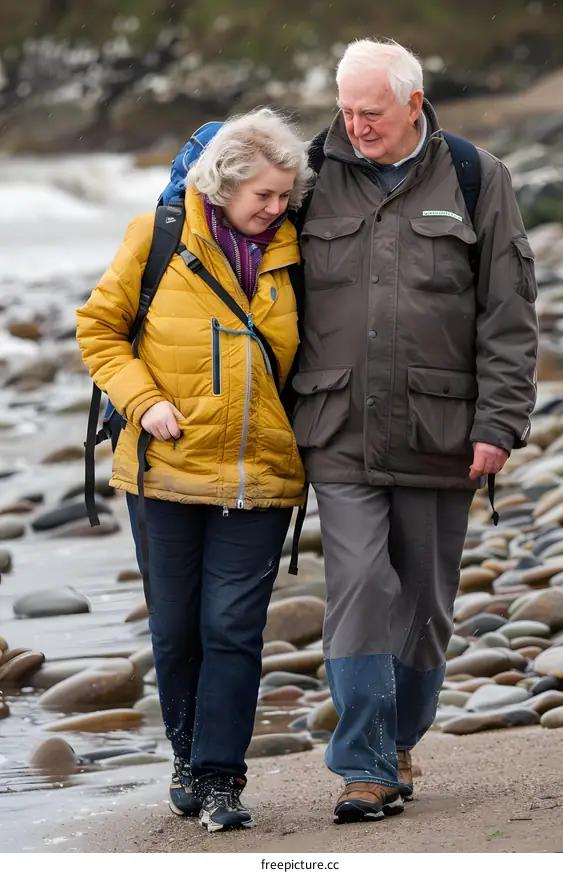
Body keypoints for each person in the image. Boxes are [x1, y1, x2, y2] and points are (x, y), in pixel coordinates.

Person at [290, 39, 538, 823]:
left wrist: (499, 422)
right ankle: (363, 766)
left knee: (425, 603)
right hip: (338, 427)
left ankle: (401, 739)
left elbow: (509, 312)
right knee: (358, 586)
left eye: (370, 112)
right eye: (346, 110)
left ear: (413, 101)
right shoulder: (307, 174)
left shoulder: (475, 176)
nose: (354, 126)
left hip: (441, 428)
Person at [76, 109, 312, 832]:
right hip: (165, 470)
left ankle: (220, 777)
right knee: (176, 628)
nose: (276, 209)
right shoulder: (160, 236)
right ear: (224, 184)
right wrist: (143, 402)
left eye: (285, 196)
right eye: (264, 196)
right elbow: (99, 328)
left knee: (233, 628)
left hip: (261, 471)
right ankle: (184, 755)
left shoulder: (300, 250)